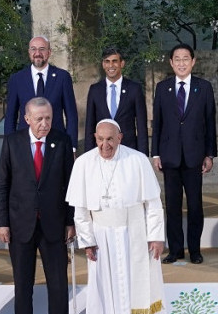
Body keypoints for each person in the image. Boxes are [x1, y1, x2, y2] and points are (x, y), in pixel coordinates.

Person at [67, 119, 165, 314]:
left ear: (120, 138)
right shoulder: (83, 163)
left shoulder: (137, 160)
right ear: (95, 138)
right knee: (103, 284)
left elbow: (153, 204)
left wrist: (155, 236)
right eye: (100, 139)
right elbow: (81, 210)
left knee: (136, 282)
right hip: (101, 236)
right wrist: (87, 241)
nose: (105, 145)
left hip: (134, 234)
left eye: (110, 139)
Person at [0, 97, 76, 314]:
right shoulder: (13, 142)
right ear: (27, 119)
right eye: (39, 118)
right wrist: (2, 222)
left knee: (58, 285)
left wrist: (70, 221)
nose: (44, 123)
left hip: (54, 224)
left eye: (48, 118)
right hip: (20, 225)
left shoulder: (62, 141)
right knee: (23, 286)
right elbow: (3, 184)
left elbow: (70, 184)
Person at [151, 43, 216, 264]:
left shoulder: (204, 87)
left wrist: (209, 154)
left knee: (195, 205)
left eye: (185, 58)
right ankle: (176, 249)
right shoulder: (162, 88)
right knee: (172, 205)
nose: (181, 63)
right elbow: (157, 123)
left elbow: (209, 122)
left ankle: (195, 250)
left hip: (194, 156)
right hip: (169, 156)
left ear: (193, 61)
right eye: (177, 59)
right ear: (171, 63)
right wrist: (156, 154)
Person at [4, 36, 78, 136]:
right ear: (29, 52)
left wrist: (72, 146)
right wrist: (9, 147)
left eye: (42, 49)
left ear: (49, 52)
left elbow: (71, 115)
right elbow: (10, 117)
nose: (37, 53)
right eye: (33, 49)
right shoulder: (17, 79)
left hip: (56, 141)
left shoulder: (62, 77)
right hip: (25, 144)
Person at [84, 46, 148, 154]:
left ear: (122, 63)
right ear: (103, 64)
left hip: (128, 151)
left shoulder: (134, 89)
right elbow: (90, 126)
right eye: (107, 61)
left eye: (114, 61)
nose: (111, 65)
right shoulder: (95, 90)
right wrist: (88, 155)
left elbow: (142, 127)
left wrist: (143, 156)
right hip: (102, 151)